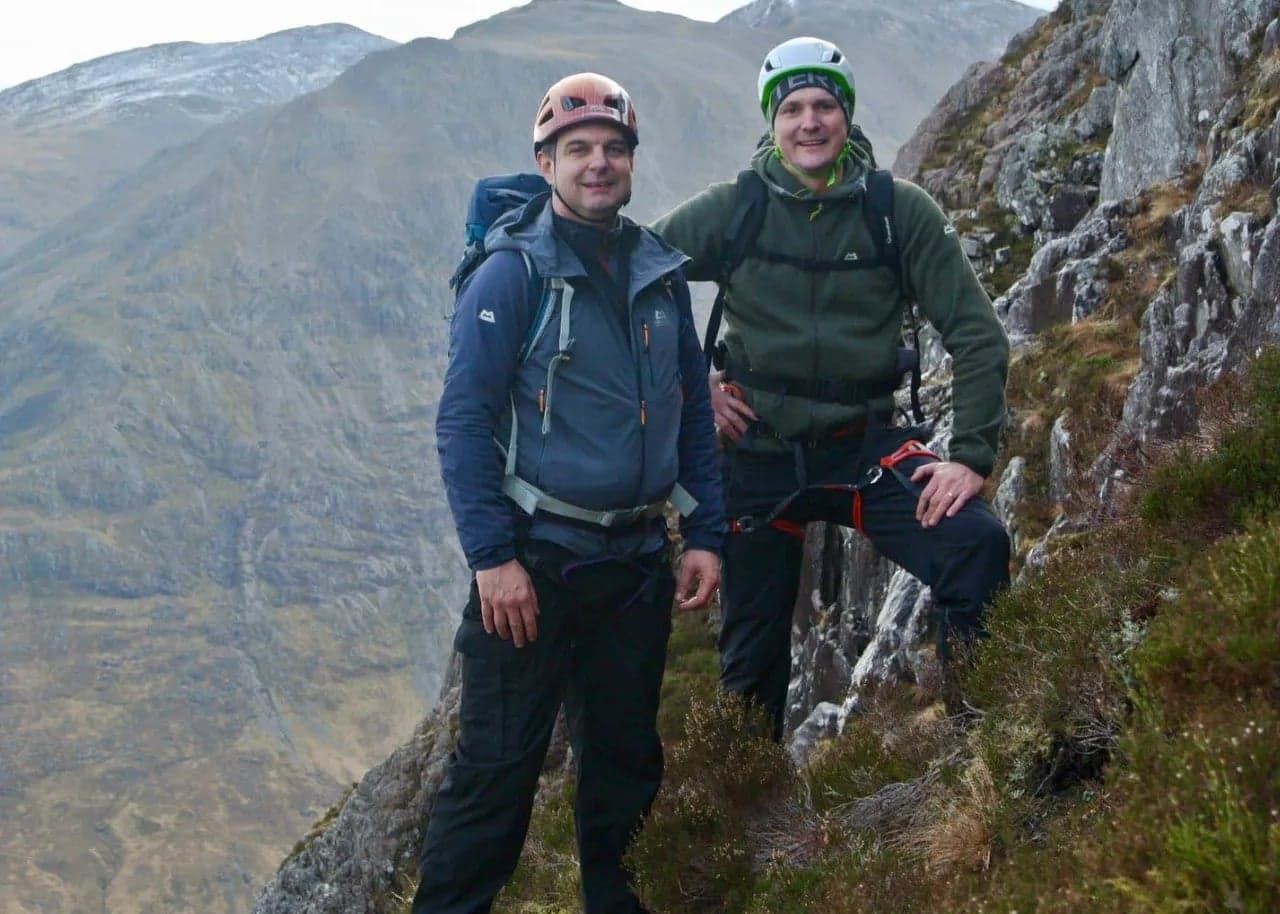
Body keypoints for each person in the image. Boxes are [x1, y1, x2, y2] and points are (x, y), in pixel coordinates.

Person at [414, 73, 723, 914]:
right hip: (535, 568)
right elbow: (462, 424)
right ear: (545, 162)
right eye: (578, 150)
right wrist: (492, 559)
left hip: (633, 565)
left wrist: (706, 536)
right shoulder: (510, 276)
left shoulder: (659, 273)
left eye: (613, 149)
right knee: (495, 778)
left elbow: (691, 411)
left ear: (631, 162)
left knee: (624, 773)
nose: (598, 165)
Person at [652, 37, 1011, 738]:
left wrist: (968, 456)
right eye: (792, 108)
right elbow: (633, 283)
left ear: (845, 116)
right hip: (758, 452)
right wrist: (694, 386)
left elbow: (977, 334)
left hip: (864, 448)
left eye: (823, 105)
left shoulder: (895, 211)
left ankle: (986, 745)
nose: (808, 121)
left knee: (976, 546)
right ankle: (747, 814)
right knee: (750, 657)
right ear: (772, 121)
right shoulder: (735, 209)